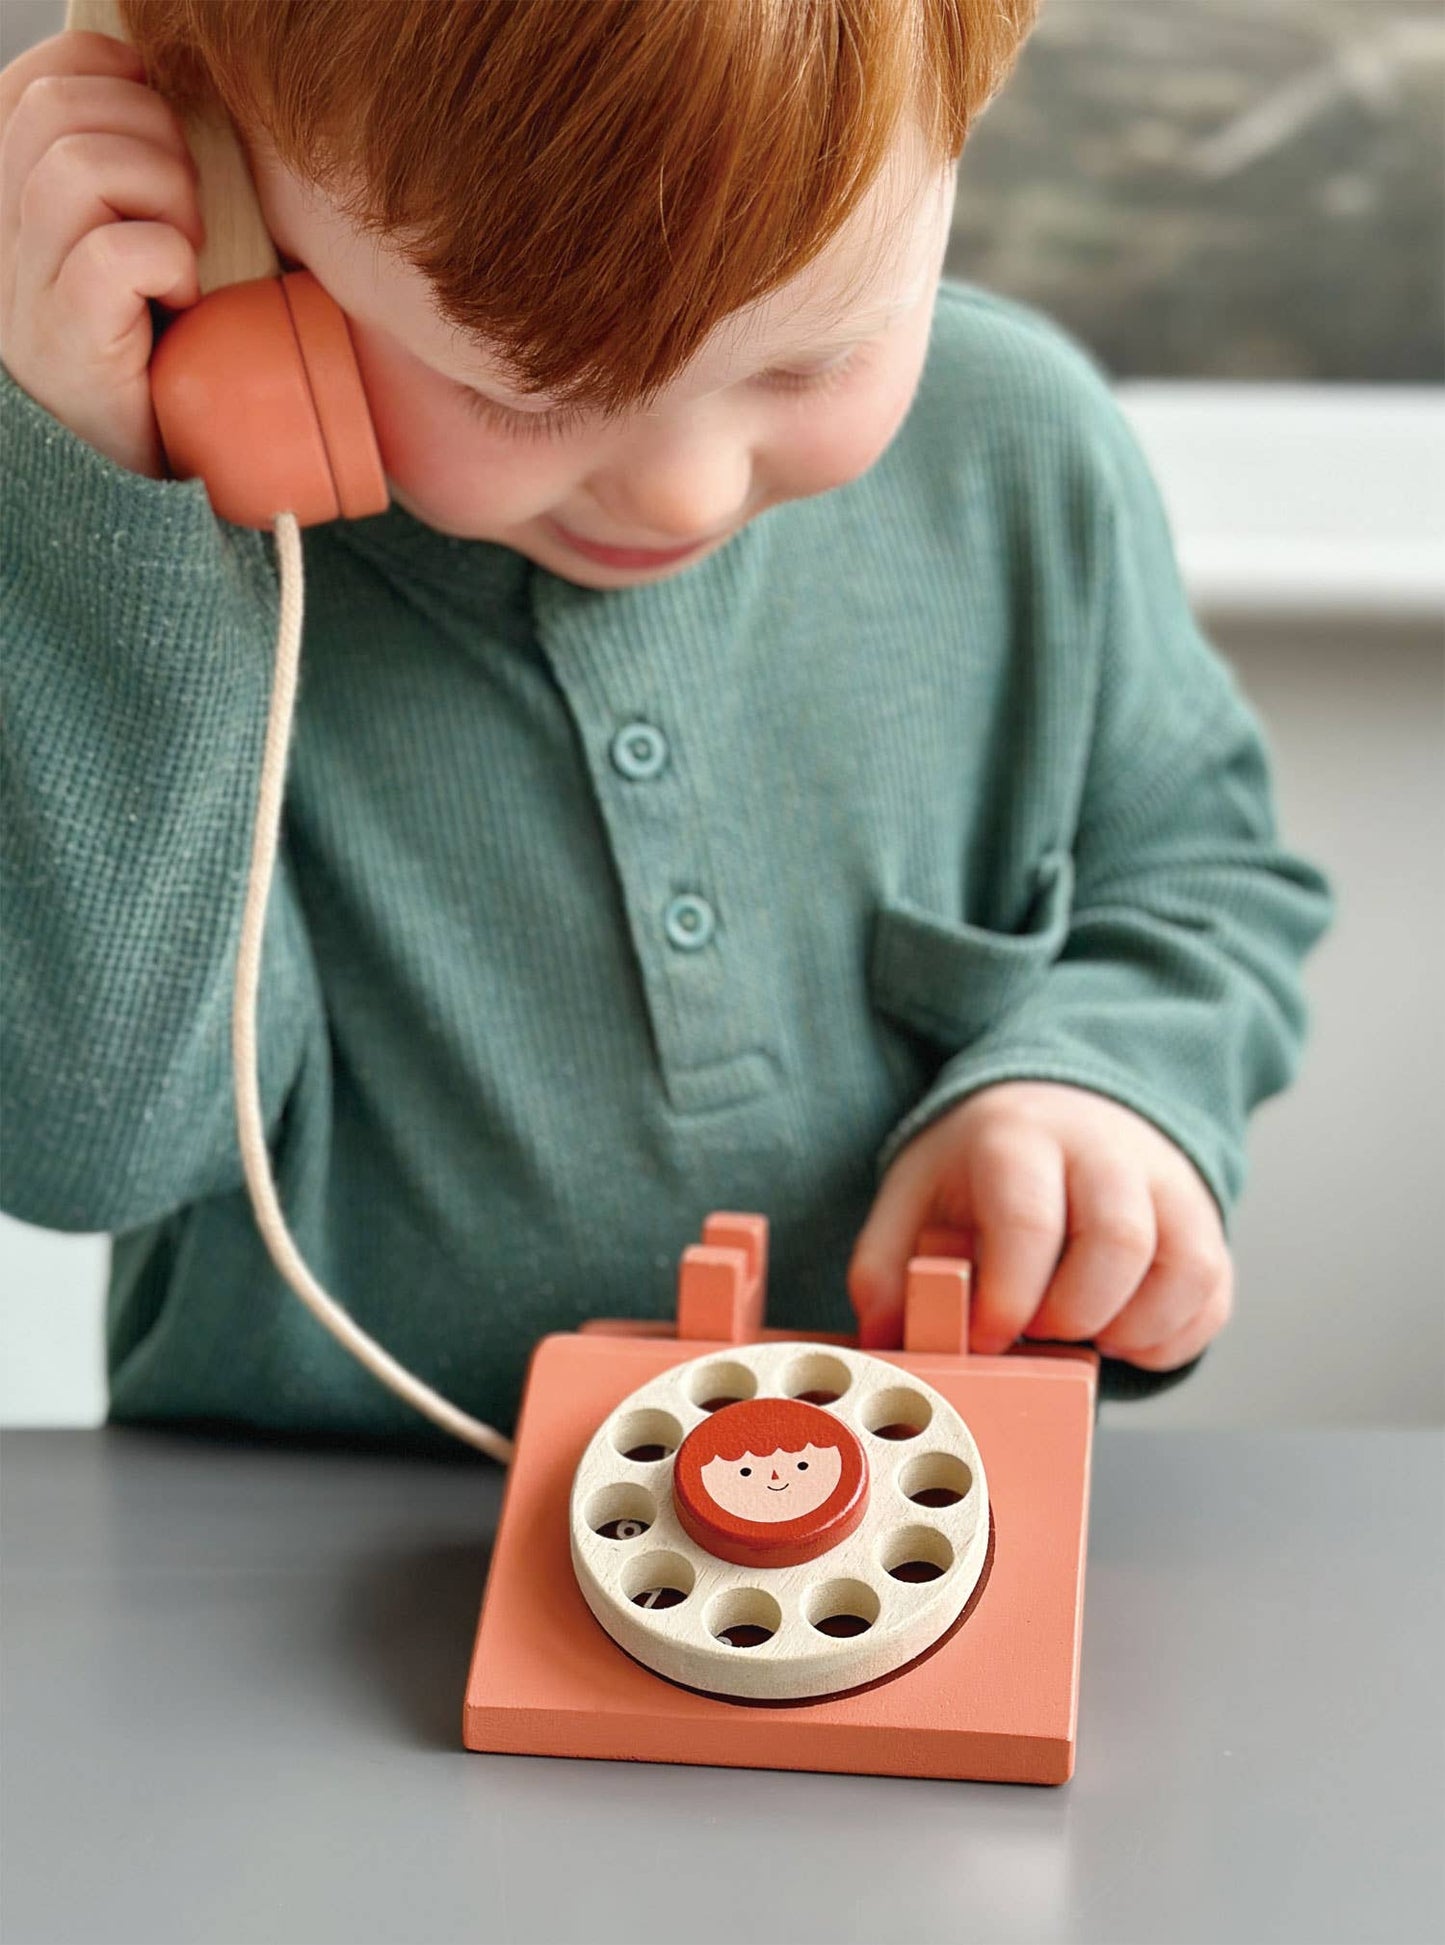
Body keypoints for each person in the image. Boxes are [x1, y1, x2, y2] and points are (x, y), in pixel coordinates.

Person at [0, 0, 1333, 1447]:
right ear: (222, 180)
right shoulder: (162, 567)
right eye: (528, 397)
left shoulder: (1023, 460)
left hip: (892, 1539)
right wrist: (106, 516)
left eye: (811, 360)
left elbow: (1200, 878)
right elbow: (94, 1152)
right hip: (282, 1531)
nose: (680, 492)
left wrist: (1106, 1086)